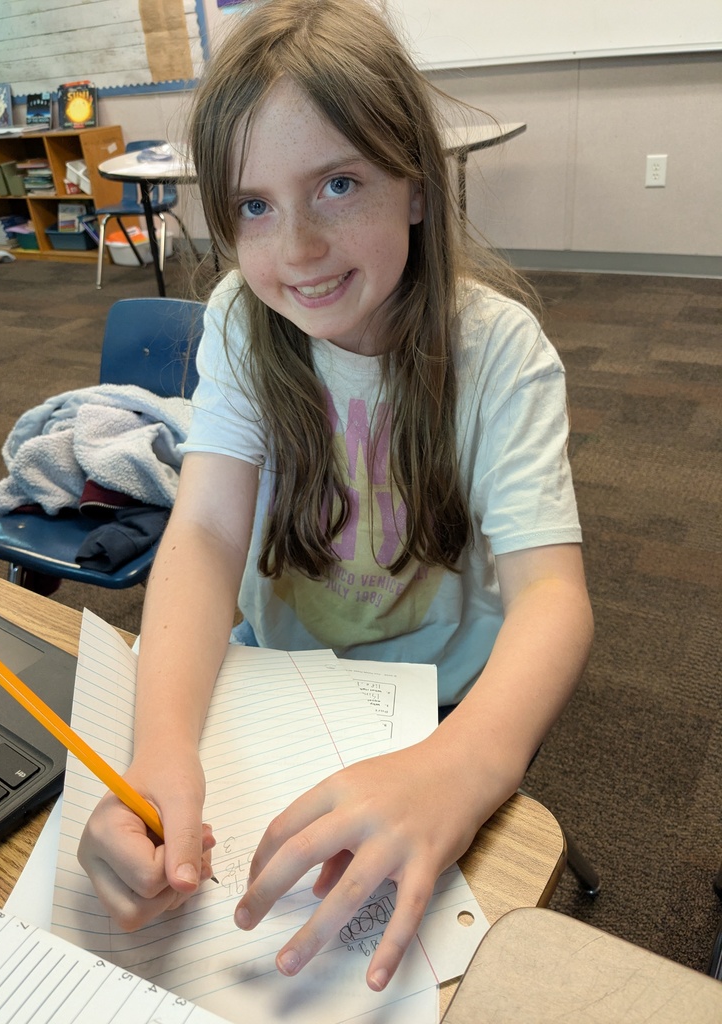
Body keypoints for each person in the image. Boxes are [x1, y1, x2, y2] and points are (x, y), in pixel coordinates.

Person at [78, 0, 594, 994]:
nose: (299, 248)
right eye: (255, 206)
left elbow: (552, 598)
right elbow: (207, 526)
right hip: (271, 694)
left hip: (439, 711)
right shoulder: (240, 318)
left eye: (339, 184)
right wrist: (159, 751)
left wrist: (461, 762)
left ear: (414, 185)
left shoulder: (499, 351)